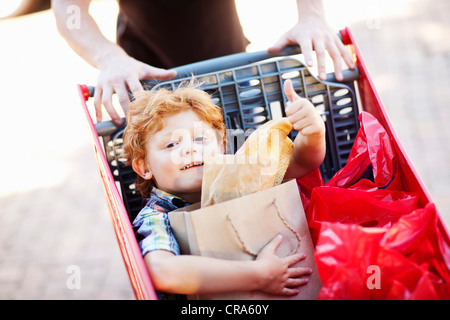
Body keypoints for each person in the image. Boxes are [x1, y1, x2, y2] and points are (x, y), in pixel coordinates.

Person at [122, 79, 325, 298]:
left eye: (200, 138)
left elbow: (299, 163)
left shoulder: (240, 175)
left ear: (221, 147)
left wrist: (313, 133)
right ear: (144, 167)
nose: (190, 149)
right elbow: (163, 271)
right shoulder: (157, 216)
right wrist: (258, 275)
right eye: (171, 144)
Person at [53, 0, 355, 126]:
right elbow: (69, 9)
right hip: (148, 84)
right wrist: (109, 58)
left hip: (230, 73)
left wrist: (312, 16)